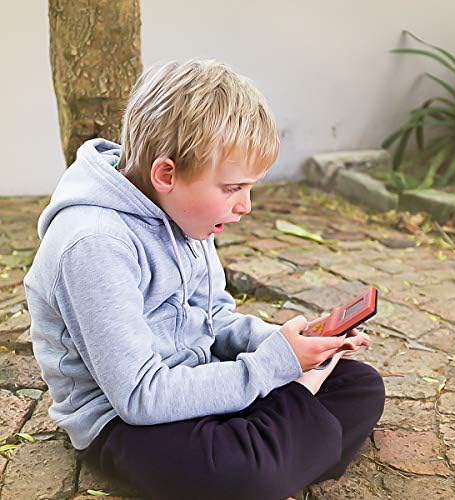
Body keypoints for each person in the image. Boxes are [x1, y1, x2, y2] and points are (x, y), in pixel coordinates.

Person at [24, 60, 385, 500]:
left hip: (202, 380)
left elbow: (216, 319)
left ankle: (279, 446)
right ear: (166, 174)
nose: (245, 206)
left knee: (360, 385)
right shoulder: (93, 243)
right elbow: (140, 397)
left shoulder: (186, 214)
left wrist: (292, 344)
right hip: (124, 420)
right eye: (232, 188)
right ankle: (285, 440)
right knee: (239, 472)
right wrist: (276, 367)